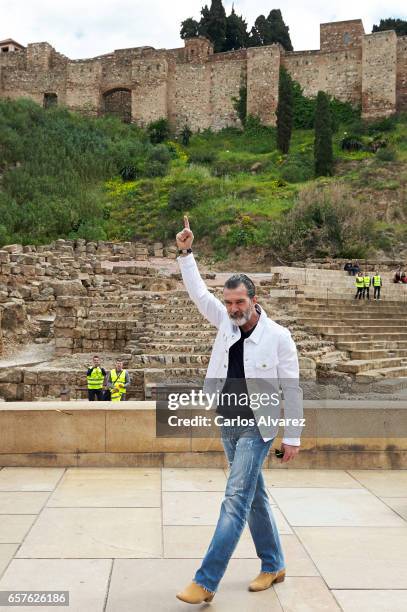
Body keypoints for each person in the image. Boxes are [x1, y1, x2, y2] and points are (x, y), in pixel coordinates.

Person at [175, 216, 303, 604]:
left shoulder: (278, 337)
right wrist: (185, 252)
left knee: (234, 500)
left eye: (239, 302)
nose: (232, 308)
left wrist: (293, 436)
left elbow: (292, 389)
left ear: (254, 300)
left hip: (257, 429)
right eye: (228, 302)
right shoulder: (225, 323)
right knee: (254, 497)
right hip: (227, 422)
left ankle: (206, 580)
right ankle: (274, 563)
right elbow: (198, 293)